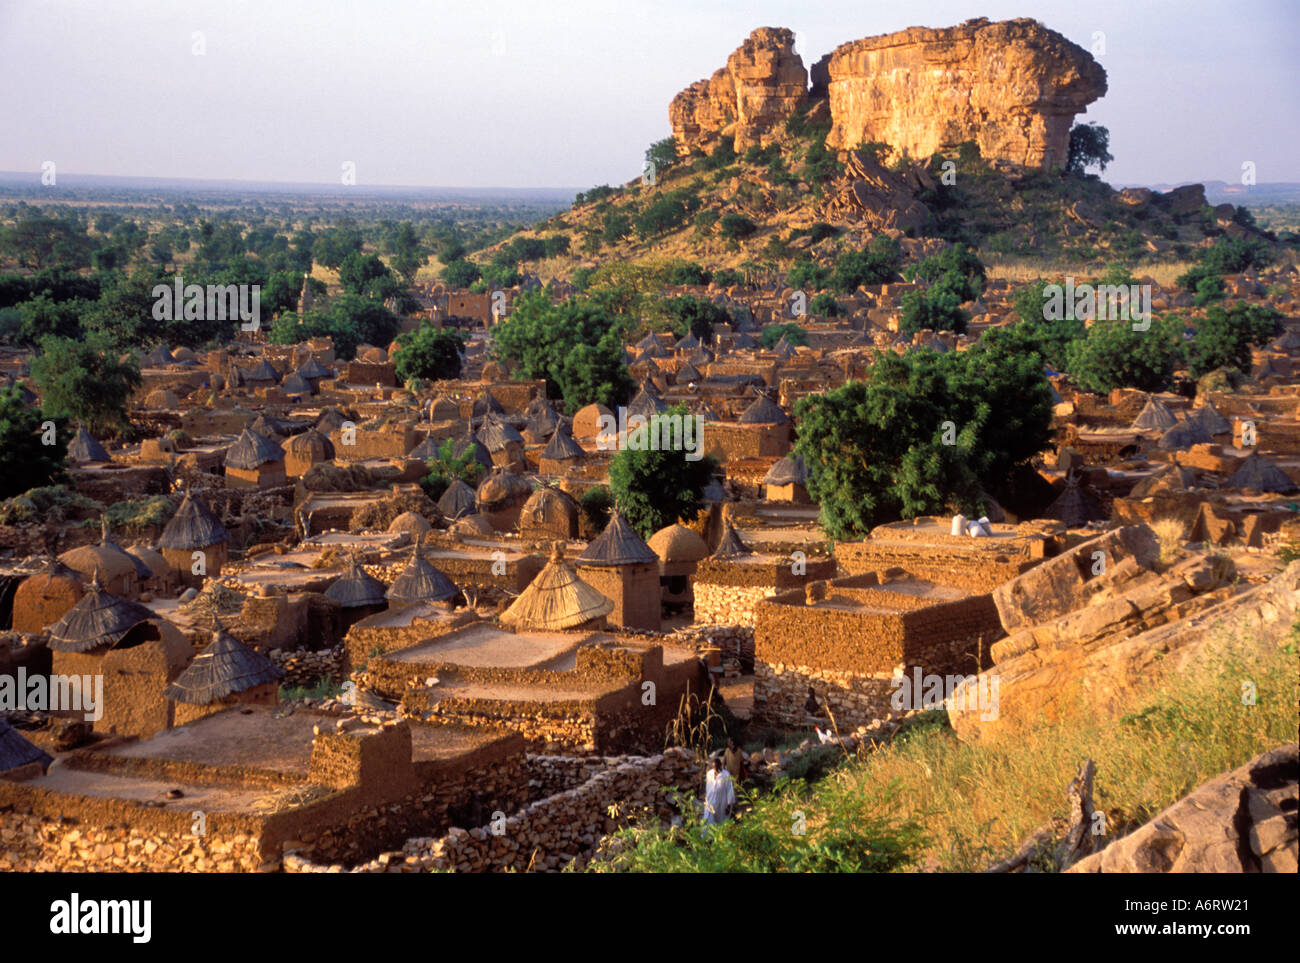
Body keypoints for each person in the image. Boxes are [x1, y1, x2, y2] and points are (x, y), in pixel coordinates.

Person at [704, 757, 735, 825]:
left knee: (721, 822)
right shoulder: (709, 774)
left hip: (722, 802)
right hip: (711, 801)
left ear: (720, 765)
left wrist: (729, 805)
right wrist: (706, 801)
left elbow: (730, 789)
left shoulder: (726, 774)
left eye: (717, 767)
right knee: (708, 821)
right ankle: (706, 835)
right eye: (714, 767)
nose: (715, 769)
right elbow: (708, 788)